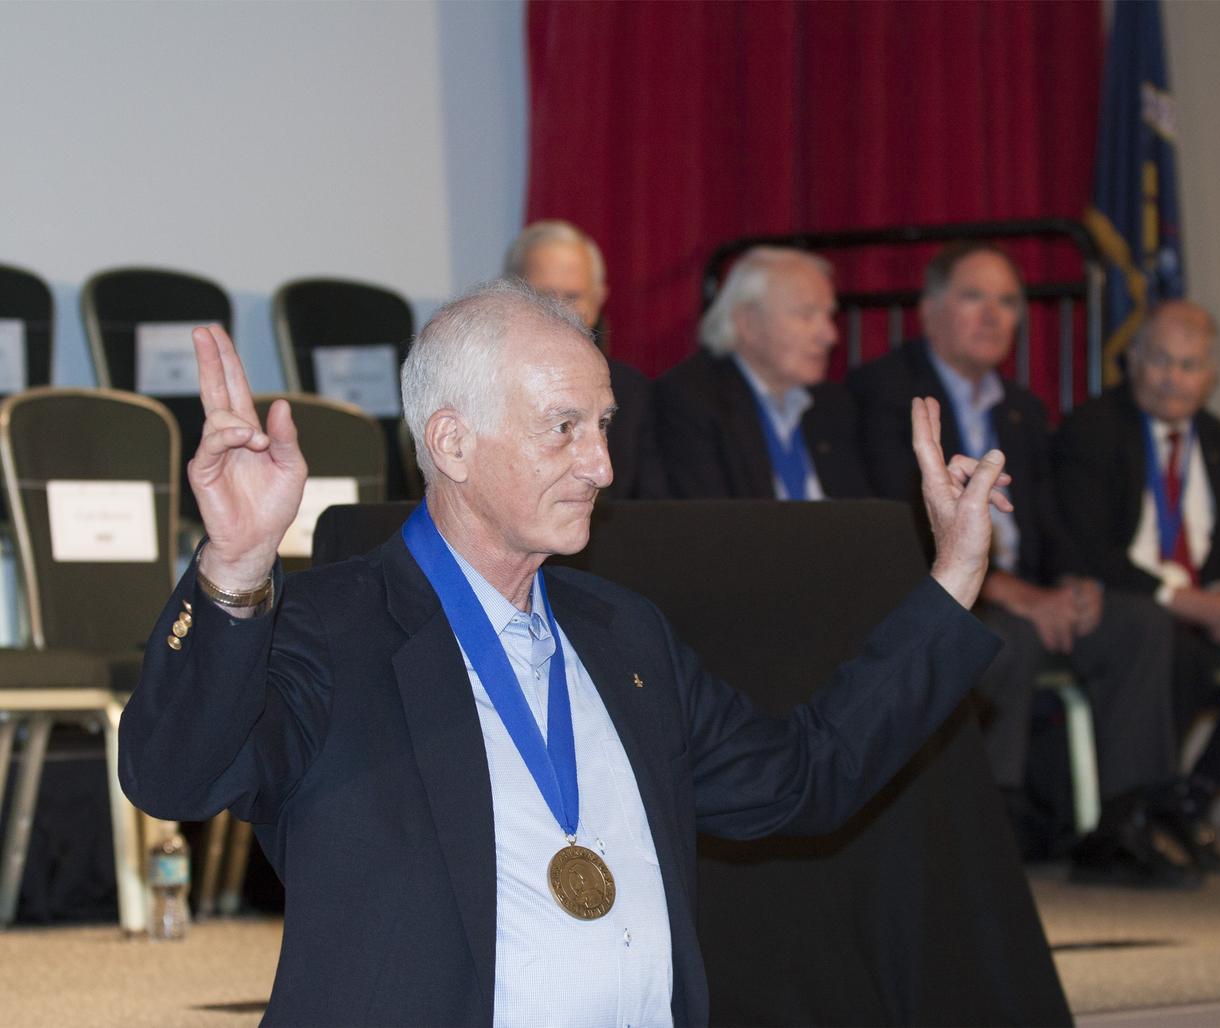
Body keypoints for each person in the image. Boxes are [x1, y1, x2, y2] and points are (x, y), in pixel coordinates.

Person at [120, 278, 1008, 1026]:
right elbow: (174, 778)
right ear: (453, 443)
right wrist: (234, 568)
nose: (602, 465)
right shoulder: (330, 625)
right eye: (563, 427)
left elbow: (804, 777)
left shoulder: (625, 634)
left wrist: (953, 582)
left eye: (605, 424)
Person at [849, 241, 1195, 887]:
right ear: (929, 310)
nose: (994, 315)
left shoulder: (1022, 408)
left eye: (1008, 301)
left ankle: (1126, 820)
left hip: (1028, 591)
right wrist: (1014, 592)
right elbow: (895, 525)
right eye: (974, 297)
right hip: (943, 590)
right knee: (1002, 637)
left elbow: (1050, 523)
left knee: (1139, 623)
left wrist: (1074, 583)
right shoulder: (885, 393)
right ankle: (993, 825)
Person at [1054, 299, 1220, 868]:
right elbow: (1089, 551)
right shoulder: (1094, 428)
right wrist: (1194, 605)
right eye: (1161, 361)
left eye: (1190, 365)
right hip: (1129, 603)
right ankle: (1145, 807)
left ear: (1211, 377)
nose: (1173, 378)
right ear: (1132, 361)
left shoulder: (1216, 437)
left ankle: (1196, 791)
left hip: (1197, 604)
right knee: (1180, 653)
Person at [654, 246, 869, 499]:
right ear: (747, 323)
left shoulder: (832, 402)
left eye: (829, 315)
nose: (830, 335)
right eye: (807, 315)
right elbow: (708, 524)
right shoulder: (692, 399)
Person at [504, 218, 667, 498]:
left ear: (598, 298)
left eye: (572, 296)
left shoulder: (631, 390)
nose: (559, 310)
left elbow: (653, 506)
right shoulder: (485, 384)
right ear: (510, 293)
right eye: (544, 294)